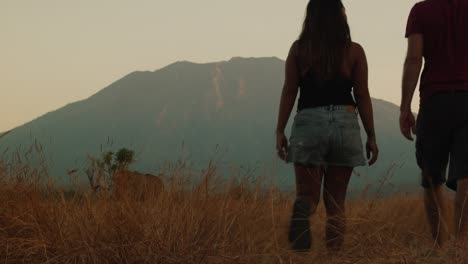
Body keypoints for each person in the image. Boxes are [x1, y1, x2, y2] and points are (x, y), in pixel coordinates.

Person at [275, 0, 378, 252]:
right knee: (336, 204)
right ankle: (333, 257)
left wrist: (280, 130)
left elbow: (290, 91)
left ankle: (303, 209)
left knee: (307, 195)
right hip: (345, 122)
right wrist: (371, 135)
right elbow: (362, 95)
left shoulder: (299, 50)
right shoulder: (354, 51)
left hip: (309, 122)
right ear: (340, 17)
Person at [401, 0, 468, 247]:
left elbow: (414, 58)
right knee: (466, 177)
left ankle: (441, 246)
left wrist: (405, 107)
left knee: (431, 178)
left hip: (434, 101)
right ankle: (461, 246)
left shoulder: (421, 11)